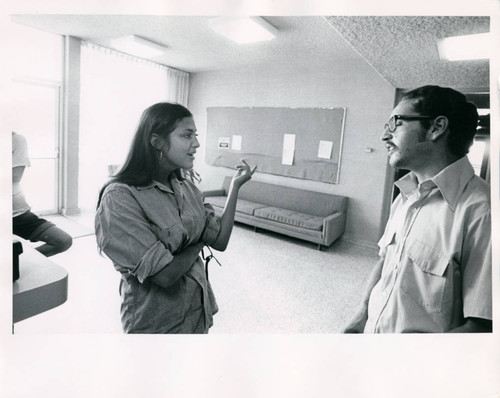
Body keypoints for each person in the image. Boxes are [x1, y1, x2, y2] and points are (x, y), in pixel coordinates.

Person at [95, 102, 256, 334]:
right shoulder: (120, 197)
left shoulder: (187, 188)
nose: (197, 143)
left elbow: (220, 240)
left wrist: (235, 187)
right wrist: (199, 242)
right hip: (157, 326)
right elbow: (164, 275)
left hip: (197, 312)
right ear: (156, 141)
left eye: (196, 135)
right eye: (187, 135)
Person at [343, 85, 492, 333]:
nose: (384, 136)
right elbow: (386, 263)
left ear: (436, 127)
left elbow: (481, 328)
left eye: (395, 123)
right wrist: (362, 315)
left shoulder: (483, 213)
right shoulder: (404, 197)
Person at [12, 132, 73, 257]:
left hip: (17, 213)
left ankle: (19, 260)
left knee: (63, 241)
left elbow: (14, 178)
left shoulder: (17, 139)